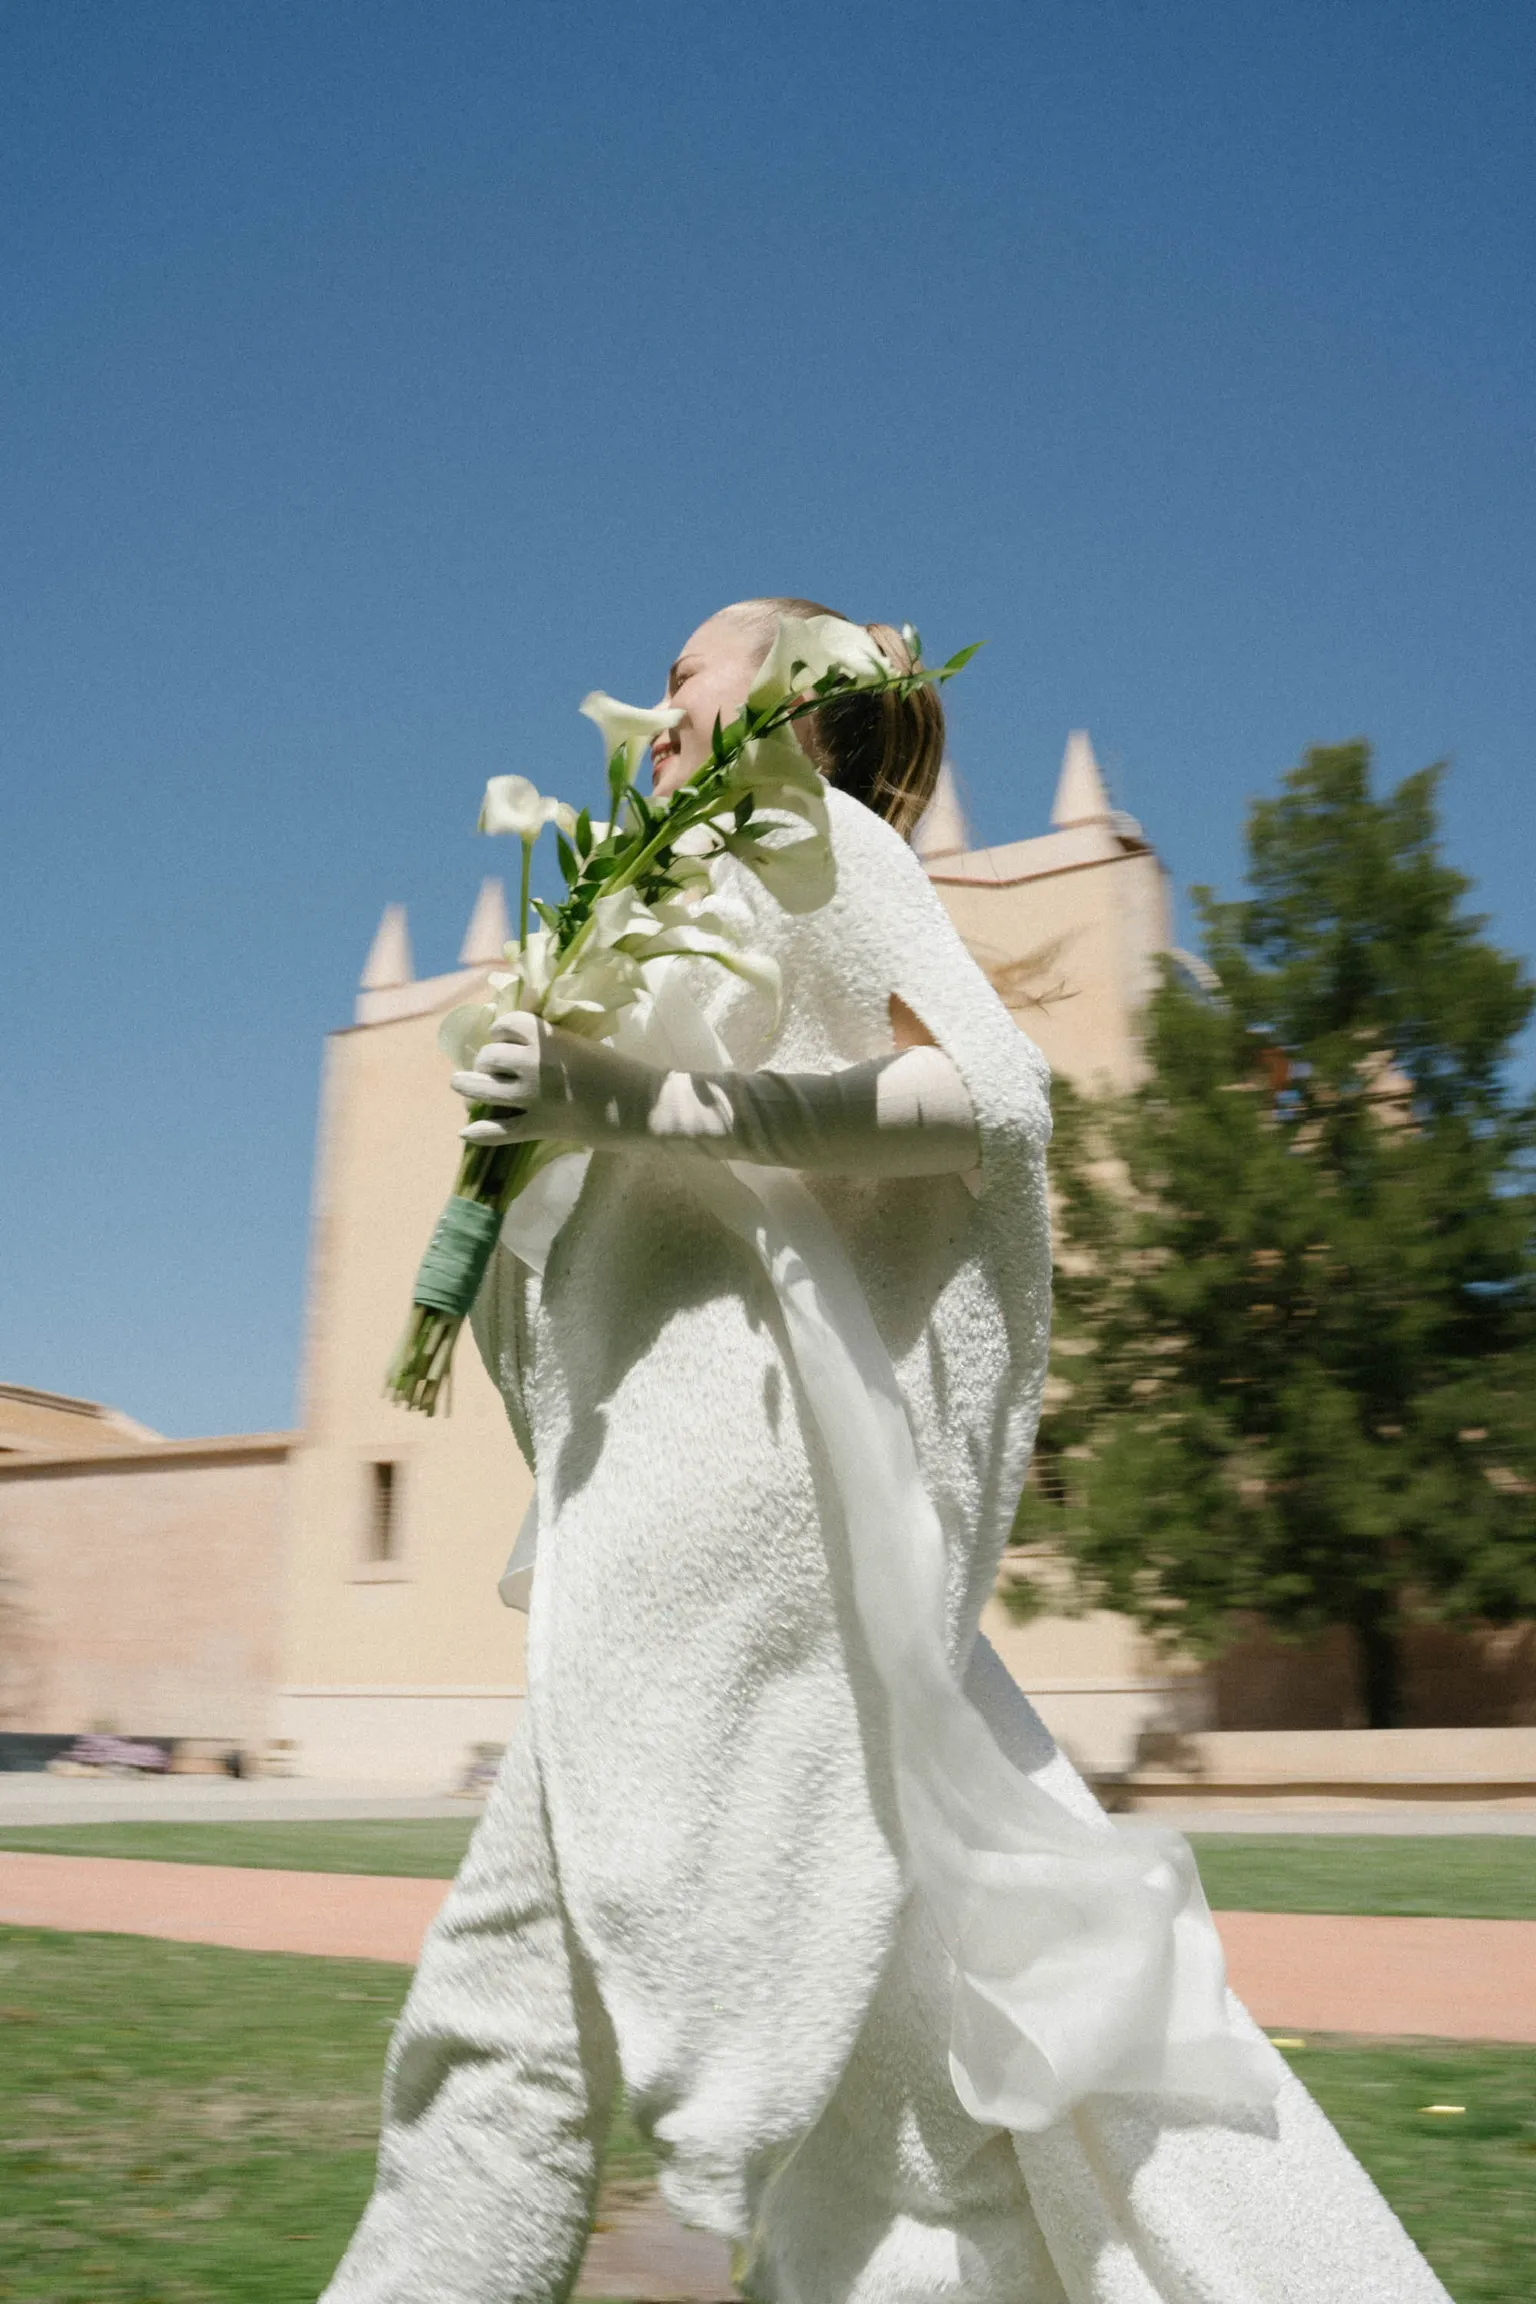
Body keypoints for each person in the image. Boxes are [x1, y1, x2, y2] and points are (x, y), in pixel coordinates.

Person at [320, 601, 1451, 2304]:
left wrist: (629, 1106)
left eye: (692, 667)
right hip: (737, 1532)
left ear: (788, 697)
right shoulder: (696, 886)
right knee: (924, 2052)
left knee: (508, 2012)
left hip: (727, 1539)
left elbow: (985, 1098)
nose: (660, 697)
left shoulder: (806, 834)